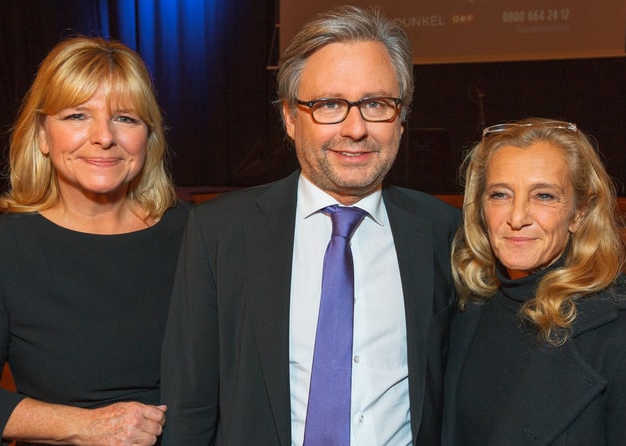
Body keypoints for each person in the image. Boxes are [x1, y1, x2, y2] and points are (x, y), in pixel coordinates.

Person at [160, 5, 461, 446]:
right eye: (329, 105)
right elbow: (190, 407)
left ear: (401, 118)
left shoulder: (443, 230)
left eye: (376, 104)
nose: (356, 128)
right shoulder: (220, 232)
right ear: (289, 117)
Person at [0, 36, 189, 445]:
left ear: (149, 137)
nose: (104, 136)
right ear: (41, 135)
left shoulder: (201, 236)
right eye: (76, 116)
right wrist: (84, 427)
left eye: (126, 118)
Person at [443, 117, 626, 445]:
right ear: (480, 207)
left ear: (580, 211)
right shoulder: (465, 312)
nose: (516, 217)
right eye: (499, 194)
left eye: (544, 196)